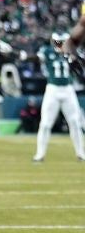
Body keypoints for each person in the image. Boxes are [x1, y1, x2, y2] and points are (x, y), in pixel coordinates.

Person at [33, 32, 85, 162]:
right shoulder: (48, 52)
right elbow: (35, 58)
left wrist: (76, 59)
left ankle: (80, 153)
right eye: (58, 42)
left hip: (68, 89)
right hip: (53, 89)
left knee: (75, 122)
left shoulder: (72, 52)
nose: (60, 45)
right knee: (45, 124)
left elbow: (80, 64)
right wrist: (20, 55)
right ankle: (40, 154)